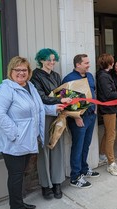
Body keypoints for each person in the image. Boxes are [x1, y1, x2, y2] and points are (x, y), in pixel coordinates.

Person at [0, 56, 62, 209]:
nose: (21, 73)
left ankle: (17, 203)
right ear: (10, 72)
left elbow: (38, 108)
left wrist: (53, 109)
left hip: (27, 140)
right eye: (17, 70)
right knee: (16, 175)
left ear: (29, 72)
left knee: (20, 173)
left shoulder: (30, 86)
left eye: (24, 70)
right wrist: (15, 134)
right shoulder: (6, 89)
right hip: (14, 141)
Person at [30, 48, 70, 199]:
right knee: (45, 151)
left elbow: (61, 92)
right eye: (48, 59)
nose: (52, 62)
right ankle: (46, 185)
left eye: (54, 59)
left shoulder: (56, 75)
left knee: (57, 149)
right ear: (41, 60)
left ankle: (57, 182)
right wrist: (60, 100)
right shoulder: (35, 76)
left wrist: (65, 100)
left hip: (58, 115)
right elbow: (40, 97)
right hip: (45, 116)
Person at [62, 54, 99, 188]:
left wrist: (95, 109)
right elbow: (67, 102)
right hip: (78, 119)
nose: (89, 65)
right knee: (77, 147)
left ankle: (84, 169)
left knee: (86, 145)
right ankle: (75, 177)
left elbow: (94, 93)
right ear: (78, 64)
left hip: (90, 116)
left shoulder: (89, 76)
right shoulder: (69, 79)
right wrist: (76, 117)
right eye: (86, 63)